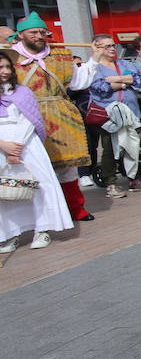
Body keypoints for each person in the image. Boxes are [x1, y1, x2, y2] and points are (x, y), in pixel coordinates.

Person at [9, 13, 93, 222]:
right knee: (33, 166)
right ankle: (40, 215)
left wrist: (95, 60)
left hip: (60, 113)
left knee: (68, 166)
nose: (38, 36)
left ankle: (76, 209)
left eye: (41, 32)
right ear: (21, 35)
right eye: (33, 32)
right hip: (25, 115)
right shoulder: (9, 58)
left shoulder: (61, 56)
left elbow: (78, 83)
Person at [0, 49, 73, 252]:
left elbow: (30, 119)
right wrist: (3, 146)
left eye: (7, 67)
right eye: (0, 67)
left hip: (26, 145)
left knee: (38, 185)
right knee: (6, 190)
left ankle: (42, 229)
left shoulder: (22, 92)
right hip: (1, 146)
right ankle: (11, 233)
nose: (5, 71)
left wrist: (16, 148)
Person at [77, 34, 141, 198]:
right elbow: (100, 87)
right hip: (108, 114)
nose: (112, 49)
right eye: (107, 46)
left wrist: (114, 80)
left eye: (113, 45)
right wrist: (125, 81)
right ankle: (111, 182)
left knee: (133, 145)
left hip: (130, 112)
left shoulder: (124, 63)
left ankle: (134, 179)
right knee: (110, 147)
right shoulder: (93, 67)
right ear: (97, 48)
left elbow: (138, 80)